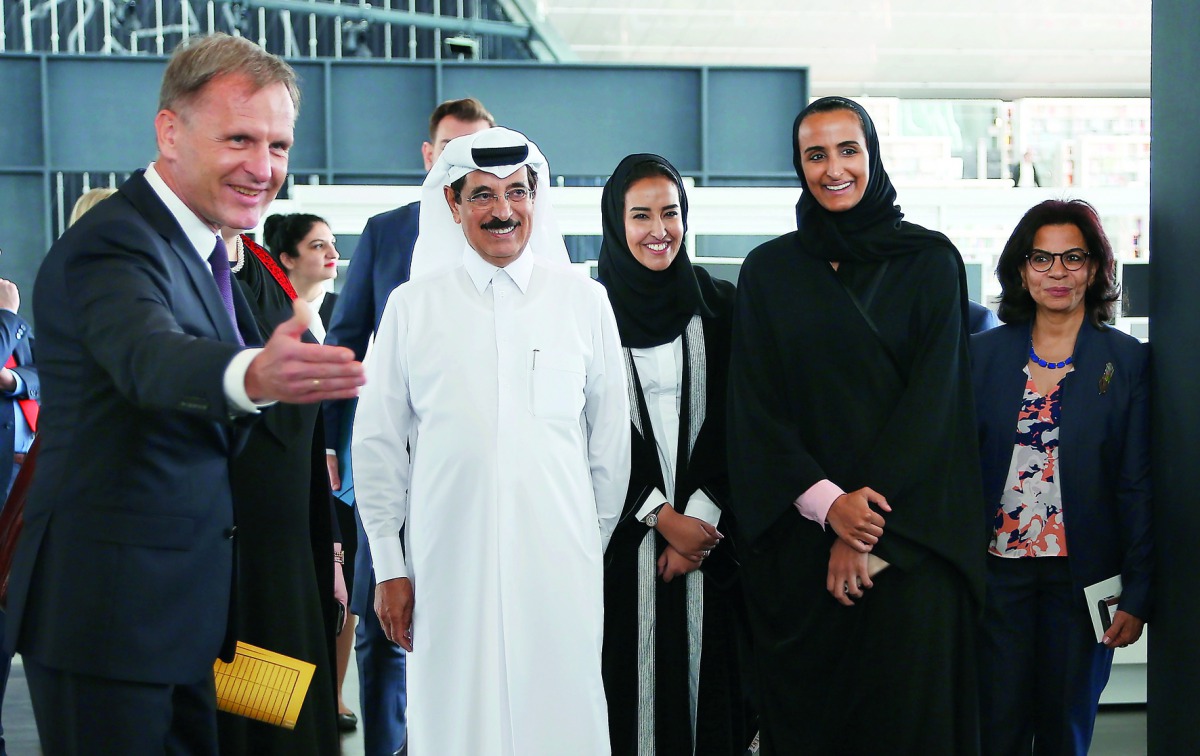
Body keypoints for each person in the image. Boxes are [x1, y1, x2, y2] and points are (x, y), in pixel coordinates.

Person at [4, 33, 365, 754]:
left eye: (279, 146)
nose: (263, 169)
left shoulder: (207, 251)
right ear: (170, 131)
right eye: (240, 138)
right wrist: (250, 375)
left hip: (191, 619)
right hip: (112, 623)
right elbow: (151, 358)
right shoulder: (114, 242)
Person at [352, 127, 630, 756]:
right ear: (452, 206)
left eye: (516, 193)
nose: (502, 211)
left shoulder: (584, 303)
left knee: (562, 721)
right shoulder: (410, 308)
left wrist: (581, 549)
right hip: (447, 569)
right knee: (455, 723)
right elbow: (377, 447)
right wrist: (391, 567)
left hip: (561, 572)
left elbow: (610, 453)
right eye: (481, 195)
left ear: (537, 197)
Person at [727, 96, 984, 754]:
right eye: (816, 154)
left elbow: (936, 407)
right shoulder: (769, 273)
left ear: (872, 155)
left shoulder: (930, 262)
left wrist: (863, 526)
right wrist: (827, 507)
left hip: (910, 549)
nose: (833, 168)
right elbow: (755, 409)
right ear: (798, 165)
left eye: (849, 150)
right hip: (801, 556)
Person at [323, 97, 493, 755]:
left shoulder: (515, 235)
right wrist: (335, 450)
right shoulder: (387, 232)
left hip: (477, 470)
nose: (466, 161)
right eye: (452, 149)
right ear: (430, 157)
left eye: (481, 146)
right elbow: (345, 343)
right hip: (394, 462)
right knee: (385, 626)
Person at [971, 199, 1151, 756]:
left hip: (1083, 582)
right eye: (1041, 259)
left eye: (1073, 257)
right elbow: (951, 472)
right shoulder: (980, 356)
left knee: (1064, 733)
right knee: (993, 730)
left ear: (1096, 268)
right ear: (1022, 270)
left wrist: (1138, 593)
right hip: (995, 579)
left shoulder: (1126, 361)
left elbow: (1138, 483)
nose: (1057, 272)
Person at [595, 153, 752, 754]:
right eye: (641, 215)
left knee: (708, 701)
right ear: (616, 222)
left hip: (712, 544)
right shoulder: (588, 314)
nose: (658, 229)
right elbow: (592, 429)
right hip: (617, 543)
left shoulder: (721, 307)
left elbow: (742, 416)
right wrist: (660, 517)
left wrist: (702, 524)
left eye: (671, 212)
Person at [213, 220, 345, 755]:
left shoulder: (258, 266)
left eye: (277, 147)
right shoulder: (186, 268)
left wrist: (329, 546)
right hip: (228, 546)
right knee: (240, 713)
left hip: (289, 540)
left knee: (283, 713)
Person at [0, 271, 37, 756]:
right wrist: (7, 313)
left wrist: (13, 380)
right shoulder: (8, 315)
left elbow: (40, 374)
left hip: (16, 486)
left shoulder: (16, 326)